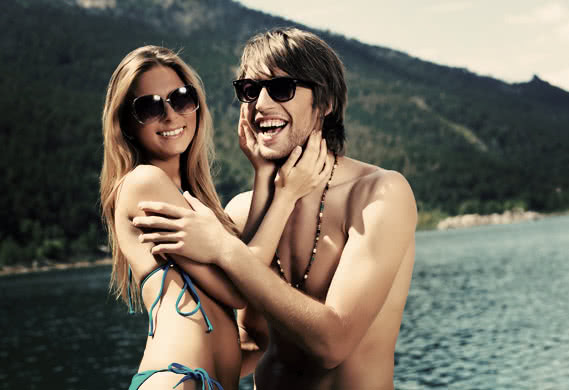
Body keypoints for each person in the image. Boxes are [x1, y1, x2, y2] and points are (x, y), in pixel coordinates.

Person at [133, 28, 418, 390]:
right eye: (249, 91)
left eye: (281, 88)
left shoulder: (379, 194)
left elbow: (333, 344)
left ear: (325, 102)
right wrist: (168, 371)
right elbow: (251, 341)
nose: (261, 105)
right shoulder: (243, 210)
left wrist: (224, 249)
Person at [99, 45, 331, 390]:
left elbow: (242, 305)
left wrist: (263, 175)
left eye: (180, 98)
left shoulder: (198, 206)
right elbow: (239, 290)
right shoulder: (143, 183)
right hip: (178, 380)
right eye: (148, 107)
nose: (170, 114)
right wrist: (286, 195)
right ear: (127, 124)